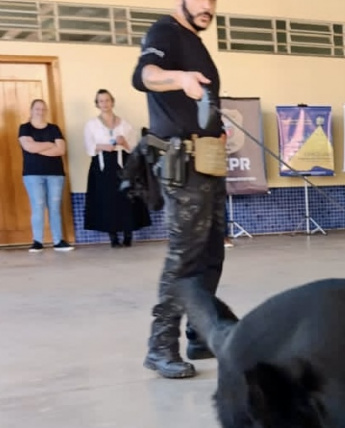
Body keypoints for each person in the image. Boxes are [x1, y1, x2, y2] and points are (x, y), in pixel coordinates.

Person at [131, 0, 227, 379]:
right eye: (201, 0)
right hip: (182, 165)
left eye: (213, 2)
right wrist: (180, 78)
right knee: (184, 256)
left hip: (207, 160)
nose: (209, 7)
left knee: (211, 252)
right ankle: (160, 346)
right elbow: (145, 74)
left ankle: (199, 330)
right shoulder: (164, 32)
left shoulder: (194, 39)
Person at [83, 88, 151, 247]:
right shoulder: (91, 125)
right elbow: (89, 147)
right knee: (107, 199)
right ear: (97, 104)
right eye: (101, 101)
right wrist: (103, 146)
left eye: (107, 100)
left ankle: (128, 234)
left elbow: (134, 148)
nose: (105, 104)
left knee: (126, 197)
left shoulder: (125, 124)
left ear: (112, 102)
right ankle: (113, 236)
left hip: (123, 162)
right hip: (103, 165)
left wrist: (124, 143)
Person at [18, 99, 73, 253]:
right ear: (31, 110)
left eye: (43, 109)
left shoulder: (54, 128)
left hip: (55, 174)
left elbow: (61, 150)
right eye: (37, 109)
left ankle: (58, 241)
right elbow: (28, 146)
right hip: (32, 174)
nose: (40, 112)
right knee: (38, 206)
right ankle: (37, 241)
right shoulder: (25, 128)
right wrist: (50, 144)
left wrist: (38, 148)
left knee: (54, 207)